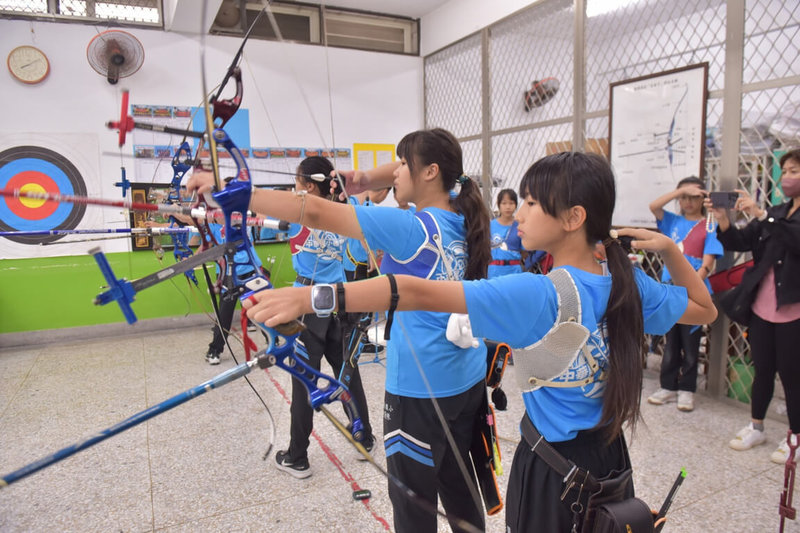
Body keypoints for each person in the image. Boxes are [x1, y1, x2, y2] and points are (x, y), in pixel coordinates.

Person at [238, 151, 716, 532]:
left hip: (554, 472)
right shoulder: (629, 283)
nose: (519, 212)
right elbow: (704, 309)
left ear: (573, 217)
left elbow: (412, 291)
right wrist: (672, 251)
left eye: (531, 202)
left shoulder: (539, 293)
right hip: (610, 461)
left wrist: (310, 298)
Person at [189, 128, 492, 533]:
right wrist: (364, 180)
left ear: (430, 172)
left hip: (419, 395)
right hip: (467, 383)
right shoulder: (464, 218)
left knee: (413, 512)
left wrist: (234, 191)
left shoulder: (411, 228)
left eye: (403, 164)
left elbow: (312, 212)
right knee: (460, 497)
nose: (395, 172)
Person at [708, 148, 800, 464]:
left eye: (794, 171)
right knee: (762, 370)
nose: (787, 177)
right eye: (785, 170)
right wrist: (723, 220)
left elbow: (794, 240)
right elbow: (739, 242)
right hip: (762, 307)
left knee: (792, 375)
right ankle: (756, 426)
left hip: (793, 311)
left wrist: (761, 214)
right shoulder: (777, 211)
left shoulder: (773, 215)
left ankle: (795, 438)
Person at [646, 176, 723, 412]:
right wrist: (677, 191)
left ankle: (687, 389)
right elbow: (654, 207)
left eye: (693, 197)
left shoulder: (709, 223)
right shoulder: (672, 222)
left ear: (703, 199)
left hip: (694, 292)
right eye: (684, 197)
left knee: (691, 343)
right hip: (670, 290)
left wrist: (694, 283)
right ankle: (667, 386)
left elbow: (709, 258)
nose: (688, 201)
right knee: (671, 342)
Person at [489, 188, 526, 278]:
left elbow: (524, 251)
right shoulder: (490, 225)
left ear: (516, 205)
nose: (508, 207)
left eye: (511, 203)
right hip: (493, 272)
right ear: (498, 205)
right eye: (504, 203)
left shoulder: (520, 226)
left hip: (514, 272)